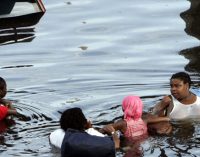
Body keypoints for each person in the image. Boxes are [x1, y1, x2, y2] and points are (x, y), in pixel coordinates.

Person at [100, 95, 171, 138]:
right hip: (144, 141)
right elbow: (166, 119)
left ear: (123, 108)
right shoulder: (144, 120)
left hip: (129, 144)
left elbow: (104, 130)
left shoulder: (122, 123)